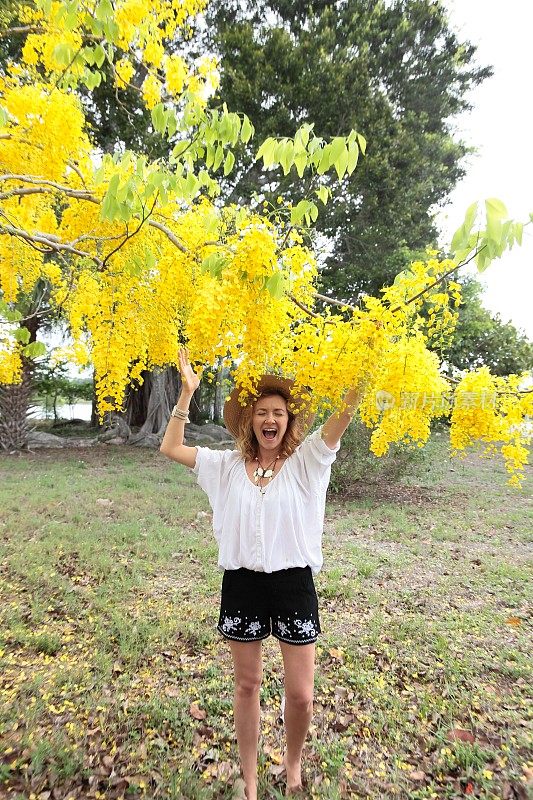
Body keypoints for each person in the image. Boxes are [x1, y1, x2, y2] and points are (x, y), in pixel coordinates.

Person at [160, 349, 364, 799]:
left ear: (289, 421)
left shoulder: (308, 462)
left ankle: (292, 763)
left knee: (301, 694)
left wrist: (362, 364)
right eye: (262, 413)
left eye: (279, 413)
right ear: (250, 420)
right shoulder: (226, 467)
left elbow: (344, 415)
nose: (270, 420)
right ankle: (250, 779)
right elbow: (171, 446)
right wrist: (187, 393)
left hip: (294, 585)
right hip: (243, 584)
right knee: (247, 685)